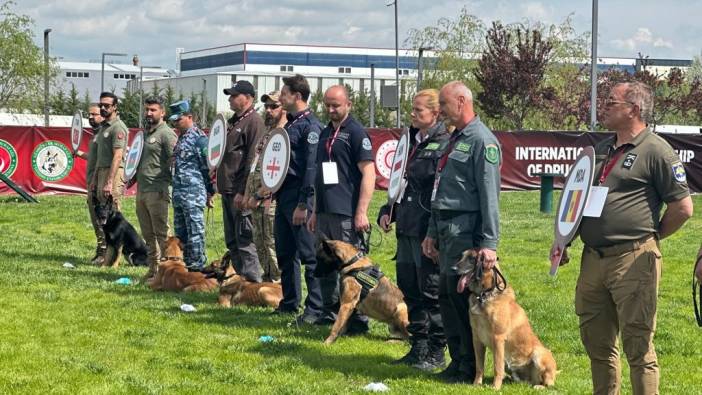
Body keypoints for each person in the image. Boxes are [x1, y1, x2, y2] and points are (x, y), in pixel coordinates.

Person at [551, 82, 693, 395]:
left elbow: (683, 208)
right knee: (597, 346)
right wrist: (564, 240)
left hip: (633, 261)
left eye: (611, 102)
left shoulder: (656, 150)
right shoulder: (601, 149)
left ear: (634, 109)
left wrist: (651, 237)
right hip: (593, 260)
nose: (604, 105)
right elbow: (578, 201)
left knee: (638, 347)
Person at [421, 81, 501, 384]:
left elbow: (489, 196)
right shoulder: (453, 139)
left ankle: (471, 367)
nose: (439, 110)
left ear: (461, 101)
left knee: (459, 298)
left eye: (443, 104)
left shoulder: (483, 141)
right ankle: (458, 361)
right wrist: (431, 231)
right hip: (444, 227)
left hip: (465, 229)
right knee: (446, 296)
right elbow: (440, 188)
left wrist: (489, 243)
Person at [378, 89, 448, 370]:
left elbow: (436, 190)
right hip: (406, 225)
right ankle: (417, 346)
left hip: (425, 228)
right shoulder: (411, 141)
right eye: (412, 110)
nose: (413, 114)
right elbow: (401, 182)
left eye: (419, 110)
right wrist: (388, 210)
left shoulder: (444, 143)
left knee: (430, 291)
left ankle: (436, 351)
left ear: (436, 114)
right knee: (410, 287)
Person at [308, 85, 376, 333]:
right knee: (325, 263)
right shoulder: (325, 132)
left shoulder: (357, 133)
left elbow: (369, 174)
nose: (331, 109)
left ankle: (358, 319)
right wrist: (314, 210)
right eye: (327, 105)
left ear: (349, 104)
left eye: (336, 105)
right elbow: (319, 176)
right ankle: (330, 312)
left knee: (351, 268)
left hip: (346, 212)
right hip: (324, 211)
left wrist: (361, 211)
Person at [273, 74, 325, 324]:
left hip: (300, 194)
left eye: (284, 93)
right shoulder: (290, 124)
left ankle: (314, 309)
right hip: (283, 194)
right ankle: (290, 301)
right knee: (285, 252)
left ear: (297, 96)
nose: (281, 97)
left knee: (308, 255)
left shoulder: (311, 127)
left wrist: (304, 203)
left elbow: (311, 169)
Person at [218, 80, 264, 282]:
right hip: (226, 190)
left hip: (239, 192)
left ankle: (252, 283)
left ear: (248, 98)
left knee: (245, 239)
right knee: (232, 240)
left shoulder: (254, 122)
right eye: (230, 95)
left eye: (234, 95)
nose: (230, 99)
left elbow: (251, 160)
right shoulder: (233, 122)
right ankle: (239, 282)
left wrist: (242, 191)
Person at [243, 91, 284, 282]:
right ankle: (267, 279)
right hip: (255, 199)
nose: (269, 110)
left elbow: (278, 173)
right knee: (259, 242)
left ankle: (279, 284)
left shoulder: (285, 134)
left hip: (271, 200)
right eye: (267, 106)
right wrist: (247, 194)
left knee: (272, 243)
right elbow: (254, 166)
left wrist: (259, 195)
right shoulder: (267, 133)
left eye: (274, 106)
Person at [169, 100, 215, 270]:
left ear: (190, 117)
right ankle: (183, 267)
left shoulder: (199, 139)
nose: (175, 123)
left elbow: (208, 167)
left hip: (193, 194)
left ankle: (197, 268)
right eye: (173, 120)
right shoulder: (180, 139)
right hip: (179, 194)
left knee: (195, 233)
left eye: (178, 119)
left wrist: (210, 191)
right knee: (181, 234)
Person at [135, 96, 177, 278]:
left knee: (162, 235)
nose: (149, 113)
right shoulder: (145, 133)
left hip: (158, 190)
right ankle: (153, 270)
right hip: (142, 190)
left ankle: (167, 272)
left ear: (163, 112)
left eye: (153, 110)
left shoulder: (166, 134)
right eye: (147, 109)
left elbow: (174, 161)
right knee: (148, 235)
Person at [74, 104, 105, 265]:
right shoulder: (95, 135)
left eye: (95, 114)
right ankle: (100, 251)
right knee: (95, 219)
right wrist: (79, 153)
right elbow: (94, 158)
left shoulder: (105, 135)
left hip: (100, 184)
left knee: (103, 220)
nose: (91, 117)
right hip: (92, 183)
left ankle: (106, 253)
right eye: (89, 114)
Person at [92, 92, 128, 209]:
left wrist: (110, 182)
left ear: (115, 107)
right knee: (102, 212)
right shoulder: (104, 127)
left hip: (113, 173)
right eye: (101, 105)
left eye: (107, 106)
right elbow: (100, 156)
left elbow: (117, 156)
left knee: (112, 213)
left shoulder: (118, 127)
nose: (103, 108)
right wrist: (95, 179)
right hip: (102, 171)